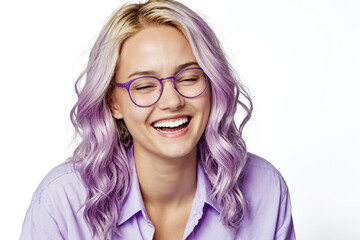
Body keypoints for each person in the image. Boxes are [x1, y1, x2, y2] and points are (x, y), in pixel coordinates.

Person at [20, 0, 295, 239]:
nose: (172, 101)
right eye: (144, 86)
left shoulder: (265, 189)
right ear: (113, 102)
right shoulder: (61, 203)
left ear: (212, 86)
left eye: (188, 78)